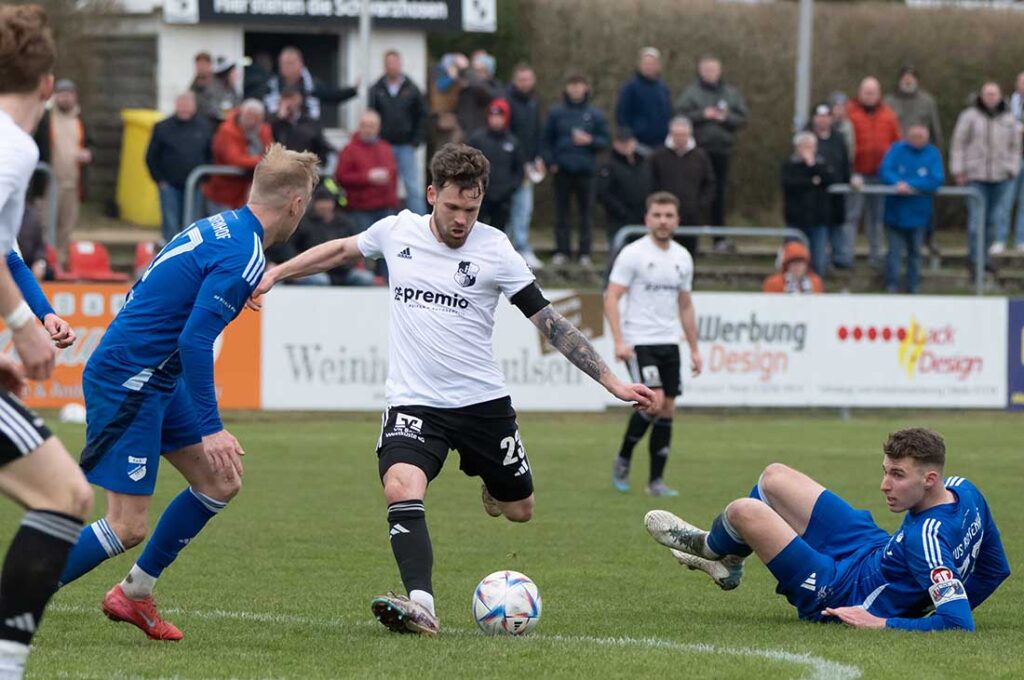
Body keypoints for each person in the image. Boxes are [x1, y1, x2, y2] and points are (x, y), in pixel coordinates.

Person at [252, 143, 656, 637]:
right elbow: (340, 250)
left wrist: (612, 380)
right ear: (431, 195)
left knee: (519, 510)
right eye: (452, 207)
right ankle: (421, 602)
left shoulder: (496, 249)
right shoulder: (397, 231)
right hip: (415, 401)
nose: (462, 219)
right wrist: (277, 272)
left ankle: (490, 481)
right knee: (401, 486)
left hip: (482, 404)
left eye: (471, 209)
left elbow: (549, 322)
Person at [57, 144, 320, 641]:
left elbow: (174, 289)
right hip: (130, 377)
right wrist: (212, 427)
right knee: (127, 524)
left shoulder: (223, 226)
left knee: (219, 482)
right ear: (296, 205)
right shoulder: (244, 252)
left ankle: (133, 593)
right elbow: (195, 340)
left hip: (156, 375)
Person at [645, 428, 1010, 632]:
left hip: (839, 589)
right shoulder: (964, 489)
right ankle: (731, 561)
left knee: (744, 510)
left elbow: (959, 623)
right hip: (873, 549)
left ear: (930, 479)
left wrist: (884, 622)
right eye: (885, 470)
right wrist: (936, 600)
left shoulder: (927, 538)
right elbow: (996, 569)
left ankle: (708, 548)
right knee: (773, 478)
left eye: (897, 475)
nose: (884, 484)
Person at [0, 6, 94, 677]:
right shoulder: (14, 145)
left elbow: (3, 253)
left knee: (64, 495)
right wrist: (23, 330)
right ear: (46, 83)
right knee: (64, 496)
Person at [605, 192, 701, 498]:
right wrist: (620, 340)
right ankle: (623, 458)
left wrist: (695, 349)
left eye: (668, 215)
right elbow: (612, 296)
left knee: (668, 409)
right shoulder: (633, 254)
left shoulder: (682, 257)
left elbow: (685, 305)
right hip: (640, 341)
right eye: (657, 215)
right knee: (654, 400)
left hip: (668, 342)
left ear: (677, 220)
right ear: (647, 219)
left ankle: (655, 482)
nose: (663, 221)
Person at [675, 54, 748, 252]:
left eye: (714, 69)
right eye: (707, 70)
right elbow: (680, 116)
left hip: (722, 150)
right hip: (697, 152)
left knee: (719, 194)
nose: (710, 73)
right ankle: (690, 238)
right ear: (700, 71)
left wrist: (725, 118)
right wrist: (702, 115)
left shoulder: (730, 93)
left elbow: (742, 119)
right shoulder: (691, 93)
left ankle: (719, 238)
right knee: (694, 195)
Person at [542, 73, 610, 267]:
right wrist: (551, 162)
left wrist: (590, 141)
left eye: (579, 85)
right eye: (572, 85)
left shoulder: (595, 114)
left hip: (587, 171)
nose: (576, 89)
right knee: (561, 213)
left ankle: (584, 253)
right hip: (562, 170)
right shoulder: (556, 113)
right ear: (566, 88)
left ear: (586, 88)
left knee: (586, 214)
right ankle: (562, 251)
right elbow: (546, 140)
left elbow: (605, 141)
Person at [951, 81, 1021, 268]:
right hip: (976, 176)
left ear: (999, 96)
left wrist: (1012, 168)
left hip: (1001, 177)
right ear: (981, 96)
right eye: (987, 94)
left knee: (992, 221)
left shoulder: (1008, 118)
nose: (991, 97)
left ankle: (985, 257)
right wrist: (959, 170)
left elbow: (1016, 147)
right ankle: (974, 259)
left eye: (994, 94)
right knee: (975, 221)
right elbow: (959, 143)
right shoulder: (969, 116)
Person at [879, 123, 944, 294]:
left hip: (919, 215)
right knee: (893, 251)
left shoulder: (932, 154)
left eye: (921, 137)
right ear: (907, 136)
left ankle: (913, 286)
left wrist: (910, 185)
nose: (917, 140)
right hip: (895, 211)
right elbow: (885, 170)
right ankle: (891, 285)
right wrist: (896, 183)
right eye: (914, 136)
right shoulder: (896, 150)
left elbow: (936, 179)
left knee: (915, 251)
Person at [34, 78, 91, 267]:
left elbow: (90, 144)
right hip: (50, 183)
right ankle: (45, 262)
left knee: (66, 228)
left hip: (73, 183)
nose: (66, 98)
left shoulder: (80, 120)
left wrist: (87, 154)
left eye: (69, 94)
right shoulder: (45, 118)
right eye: (62, 94)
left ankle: (62, 262)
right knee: (46, 225)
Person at [845, 77, 902, 269]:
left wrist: (893, 170)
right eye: (866, 92)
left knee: (876, 218)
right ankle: (847, 256)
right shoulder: (849, 113)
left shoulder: (889, 115)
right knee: (851, 216)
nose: (869, 96)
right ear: (860, 93)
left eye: (873, 92)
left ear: (879, 94)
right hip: (856, 174)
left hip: (881, 175)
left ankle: (876, 256)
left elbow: (896, 144)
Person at [145, 92, 213, 243]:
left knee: (192, 226)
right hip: (169, 185)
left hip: (195, 186)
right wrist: (160, 180)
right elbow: (151, 157)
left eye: (188, 104)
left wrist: (205, 180)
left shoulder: (204, 127)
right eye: (182, 104)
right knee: (171, 225)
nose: (185, 108)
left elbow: (210, 154)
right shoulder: (162, 127)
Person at [646, 116, 716, 256]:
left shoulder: (700, 156)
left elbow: (709, 183)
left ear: (689, 134)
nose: (680, 138)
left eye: (683, 135)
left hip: (691, 217)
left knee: (688, 255)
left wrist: (700, 205)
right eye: (676, 135)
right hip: (663, 218)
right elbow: (648, 182)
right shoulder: (658, 156)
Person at [369, 50, 427, 215]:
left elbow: (422, 115)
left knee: (413, 187)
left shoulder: (412, 89)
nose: (392, 66)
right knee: (386, 187)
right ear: (384, 66)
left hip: (406, 145)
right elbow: (372, 115)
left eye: (395, 63)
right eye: (388, 63)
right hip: (384, 146)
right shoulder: (376, 89)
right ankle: (388, 222)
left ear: (400, 64)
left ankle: (421, 222)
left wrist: (416, 140)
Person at [781, 132, 836, 278]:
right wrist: (812, 182)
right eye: (804, 146)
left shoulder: (821, 164)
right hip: (796, 219)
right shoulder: (789, 165)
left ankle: (816, 289)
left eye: (811, 146)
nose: (808, 150)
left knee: (818, 261)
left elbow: (830, 179)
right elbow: (790, 184)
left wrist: (812, 165)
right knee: (793, 258)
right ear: (797, 147)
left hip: (818, 219)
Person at [203, 99, 273, 213]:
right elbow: (234, 159)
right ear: (242, 114)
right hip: (224, 193)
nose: (253, 122)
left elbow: (270, 153)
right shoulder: (227, 130)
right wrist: (261, 161)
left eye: (257, 118)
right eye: (250, 117)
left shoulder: (264, 129)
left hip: (249, 193)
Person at [506, 63, 545, 268]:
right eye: (521, 79)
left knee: (524, 208)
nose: (525, 83)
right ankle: (509, 247)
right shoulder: (507, 100)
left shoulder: (534, 102)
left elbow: (537, 132)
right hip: (509, 165)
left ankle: (521, 246)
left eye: (528, 79)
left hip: (528, 165)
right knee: (509, 206)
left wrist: (538, 157)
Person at [336, 109, 399, 232]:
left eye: (372, 126)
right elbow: (341, 177)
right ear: (360, 127)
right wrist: (367, 178)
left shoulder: (385, 147)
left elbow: (393, 173)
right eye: (365, 126)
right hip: (361, 210)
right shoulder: (349, 150)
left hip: (386, 208)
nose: (368, 130)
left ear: (378, 128)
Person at [467, 99, 524, 233]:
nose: (496, 120)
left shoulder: (513, 143)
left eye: (500, 116)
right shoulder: (477, 139)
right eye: (493, 116)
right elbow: (467, 165)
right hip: (479, 196)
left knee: (498, 233)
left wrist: (509, 189)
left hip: (503, 198)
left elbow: (519, 171)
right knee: (474, 231)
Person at [808, 103, 851, 269]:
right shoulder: (808, 137)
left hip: (836, 196)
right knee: (819, 233)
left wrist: (848, 180)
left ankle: (840, 259)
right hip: (815, 198)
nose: (823, 120)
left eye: (826, 116)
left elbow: (845, 164)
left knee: (838, 227)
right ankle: (820, 265)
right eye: (819, 116)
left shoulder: (838, 138)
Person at [264, 46, 357, 122]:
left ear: (300, 64)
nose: (287, 67)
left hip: (307, 132)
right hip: (278, 132)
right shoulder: (270, 85)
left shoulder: (313, 84)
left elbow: (333, 95)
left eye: (290, 63)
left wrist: (354, 90)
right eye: (283, 64)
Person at [597, 127, 648, 248]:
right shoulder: (608, 165)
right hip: (619, 220)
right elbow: (603, 193)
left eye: (629, 142)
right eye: (622, 142)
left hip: (643, 218)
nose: (626, 146)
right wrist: (622, 211)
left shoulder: (645, 163)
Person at [615, 47, 672, 154]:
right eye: (646, 63)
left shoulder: (663, 88)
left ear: (658, 66)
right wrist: (628, 138)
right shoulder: (629, 88)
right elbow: (622, 115)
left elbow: (668, 113)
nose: (649, 67)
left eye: (652, 63)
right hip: (638, 144)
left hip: (661, 144)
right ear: (640, 65)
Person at [270, 85, 333, 164]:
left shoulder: (311, 123)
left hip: (305, 167)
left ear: (300, 99)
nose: (288, 103)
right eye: (285, 98)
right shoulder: (274, 122)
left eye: (292, 98)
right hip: (281, 168)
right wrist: (278, 119)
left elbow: (321, 149)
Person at [455, 51, 503, 139]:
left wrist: (466, 69)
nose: (476, 74)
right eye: (475, 71)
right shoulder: (469, 86)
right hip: (465, 133)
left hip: (481, 136)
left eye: (480, 71)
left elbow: (484, 91)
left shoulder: (495, 87)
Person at [192, 54, 240, 127]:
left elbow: (237, 106)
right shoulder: (211, 86)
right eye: (233, 72)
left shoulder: (231, 89)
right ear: (226, 74)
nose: (236, 75)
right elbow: (212, 110)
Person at [1009, 71, 1024, 253]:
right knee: (1006, 201)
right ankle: (1000, 237)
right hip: (1011, 158)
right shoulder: (1007, 105)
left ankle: (1021, 239)